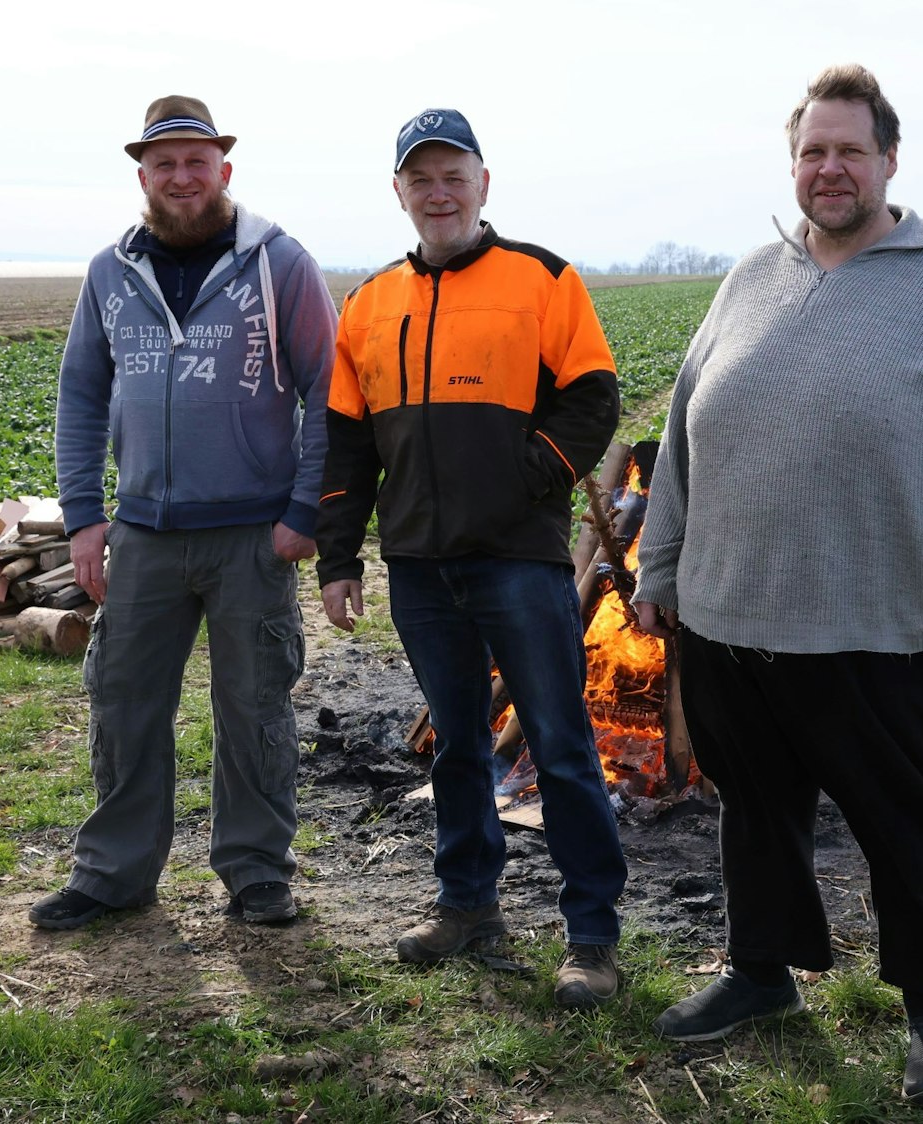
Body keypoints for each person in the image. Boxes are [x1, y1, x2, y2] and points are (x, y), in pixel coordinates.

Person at [632, 64, 923, 1104]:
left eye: (848, 150)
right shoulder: (749, 278)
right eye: (811, 151)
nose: (829, 168)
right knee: (755, 815)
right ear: (794, 163)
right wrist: (659, 566)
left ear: (889, 161)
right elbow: (686, 440)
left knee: (908, 829)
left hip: (884, 631)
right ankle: (759, 972)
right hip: (732, 622)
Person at [315, 108, 629, 1008]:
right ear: (400, 193)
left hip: (518, 562)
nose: (438, 191)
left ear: (483, 184)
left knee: (563, 748)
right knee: (455, 744)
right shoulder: (369, 304)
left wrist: (523, 480)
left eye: (454, 174)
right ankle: (467, 906)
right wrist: (341, 557)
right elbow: (344, 444)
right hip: (416, 565)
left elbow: (592, 401)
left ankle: (592, 937)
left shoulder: (543, 278)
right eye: (422, 178)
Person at [31, 95, 337, 931]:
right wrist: (85, 515)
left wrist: (306, 509)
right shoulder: (109, 271)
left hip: (251, 536)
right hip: (142, 535)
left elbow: (329, 393)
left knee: (255, 706)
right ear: (143, 176)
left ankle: (256, 871)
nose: (181, 177)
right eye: (163, 164)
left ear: (223, 170)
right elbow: (80, 395)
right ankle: (115, 873)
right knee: (123, 703)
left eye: (195, 161)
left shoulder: (279, 264)